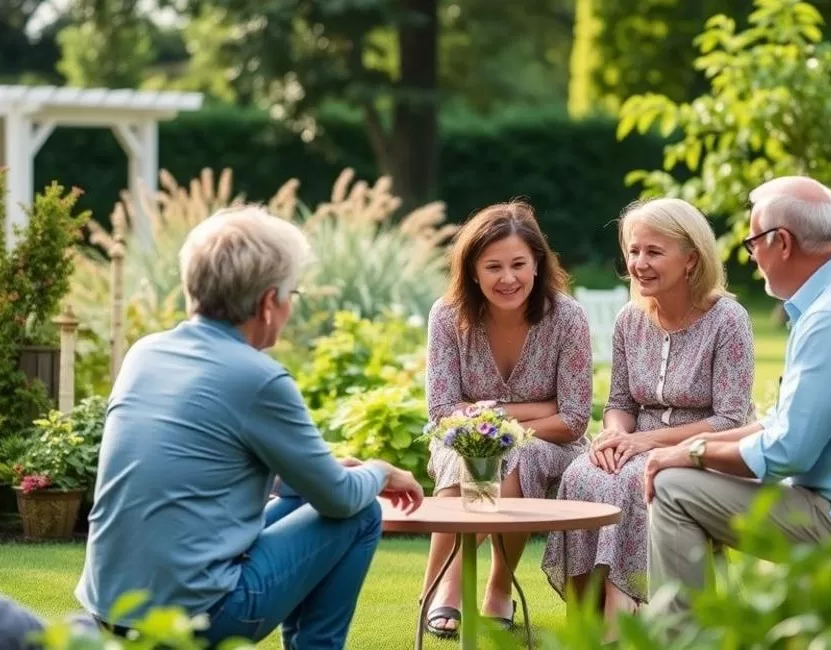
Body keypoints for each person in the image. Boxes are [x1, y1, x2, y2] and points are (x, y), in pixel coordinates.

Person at [74, 205, 424, 650]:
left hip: (109, 611)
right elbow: (339, 501)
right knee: (360, 513)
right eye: (292, 294)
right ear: (268, 304)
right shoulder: (258, 377)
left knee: (302, 492)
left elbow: (196, 467)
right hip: (197, 619)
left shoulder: (146, 353)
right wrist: (378, 471)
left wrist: (325, 472)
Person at [642, 176, 831, 615]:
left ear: (780, 242)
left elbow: (787, 451)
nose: (752, 259)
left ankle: (686, 641)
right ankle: (713, 633)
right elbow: (786, 422)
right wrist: (691, 447)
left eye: (751, 244)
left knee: (674, 489)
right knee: (687, 481)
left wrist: (690, 455)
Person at [540, 198, 755, 638]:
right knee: (582, 473)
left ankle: (623, 617)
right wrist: (615, 435)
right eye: (634, 251)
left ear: (691, 258)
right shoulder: (629, 319)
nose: (639, 263)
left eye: (654, 252)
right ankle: (584, 619)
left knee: (633, 477)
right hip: (638, 444)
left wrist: (645, 443)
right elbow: (620, 403)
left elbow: (731, 418)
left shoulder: (728, 319)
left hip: (702, 450)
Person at [421, 201, 594, 638]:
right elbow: (443, 411)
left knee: (519, 454)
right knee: (465, 458)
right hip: (461, 438)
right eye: (493, 266)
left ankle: (490, 588)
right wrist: (534, 409)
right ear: (473, 270)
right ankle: (442, 591)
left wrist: (490, 416)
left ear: (537, 263)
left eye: (518, 263)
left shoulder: (567, 317)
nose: (508, 278)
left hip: (551, 444)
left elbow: (572, 419)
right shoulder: (447, 316)